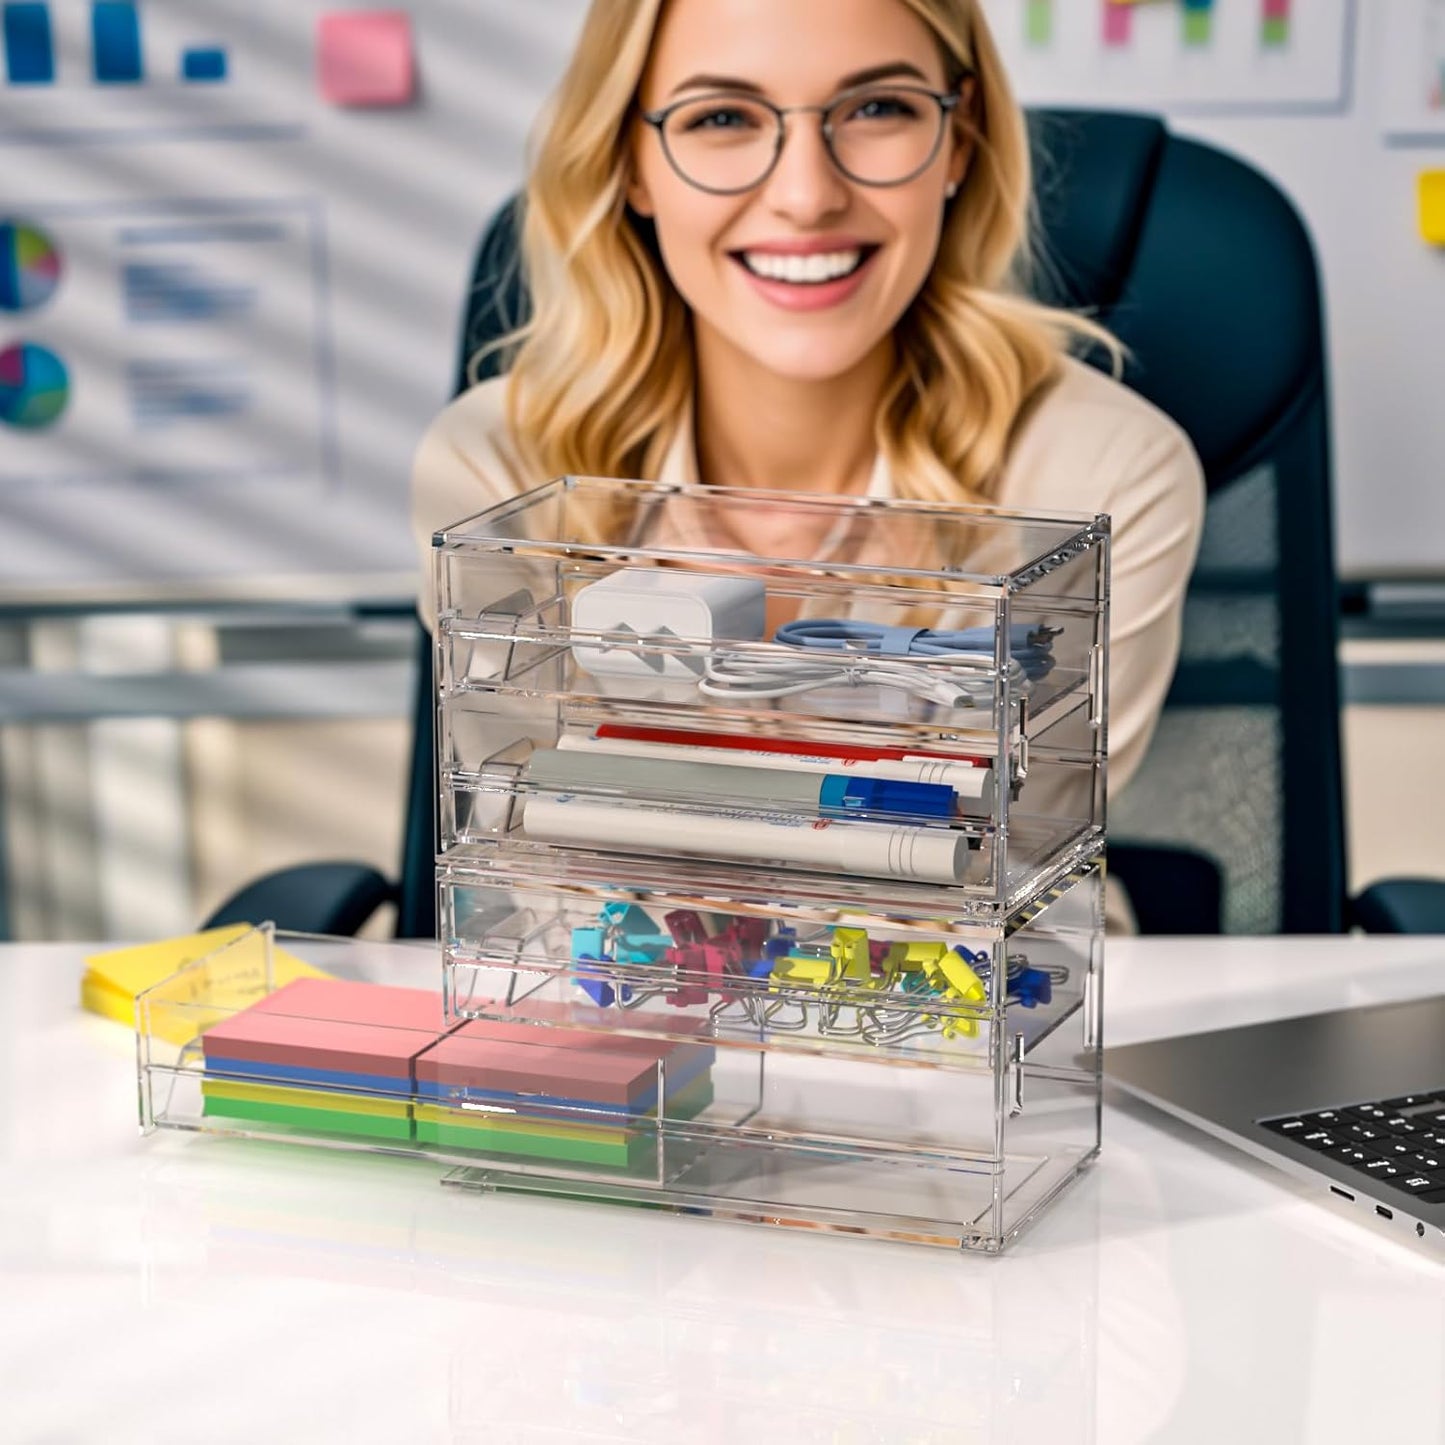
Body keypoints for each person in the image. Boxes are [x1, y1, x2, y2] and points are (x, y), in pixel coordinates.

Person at [411, 0, 1205, 919]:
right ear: (628, 161)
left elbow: (993, 886)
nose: (805, 195)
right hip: (630, 1036)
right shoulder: (499, 474)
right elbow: (549, 885)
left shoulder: (1100, 478)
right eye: (721, 118)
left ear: (959, 138)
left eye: (875, 109)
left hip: (963, 1035)